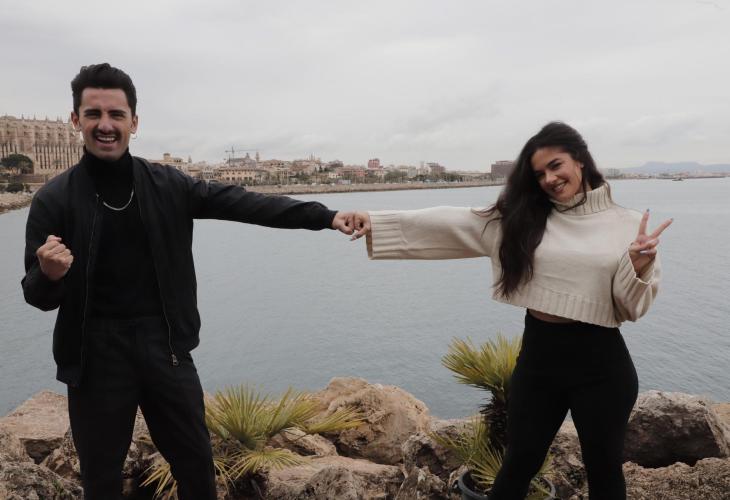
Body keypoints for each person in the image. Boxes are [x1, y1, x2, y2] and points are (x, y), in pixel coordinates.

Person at [22, 63, 355, 500]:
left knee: (196, 468)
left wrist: (326, 216)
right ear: (75, 120)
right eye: (93, 114)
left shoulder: (167, 185)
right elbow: (36, 295)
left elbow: (245, 204)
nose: (105, 125)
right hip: (93, 355)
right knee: (100, 480)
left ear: (134, 122)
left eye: (117, 115)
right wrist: (49, 275)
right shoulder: (53, 199)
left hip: (166, 348)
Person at [351, 122, 672, 500]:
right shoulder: (522, 219)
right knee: (519, 462)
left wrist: (637, 266)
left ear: (580, 161)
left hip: (602, 365)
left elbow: (630, 307)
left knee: (603, 469)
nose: (549, 179)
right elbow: (454, 222)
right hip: (539, 359)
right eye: (539, 174)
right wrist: (376, 222)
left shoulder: (629, 225)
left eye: (556, 165)